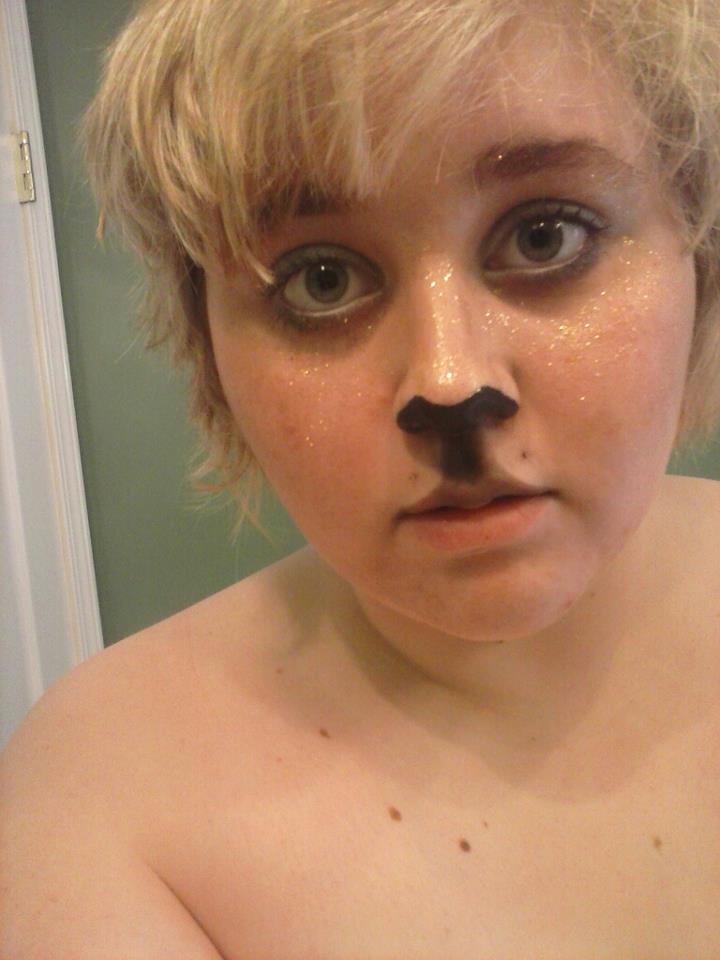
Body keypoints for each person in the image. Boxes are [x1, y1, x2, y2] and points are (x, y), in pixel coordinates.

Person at [2, 0, 720, 956]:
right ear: (208, 353)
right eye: (322, 279)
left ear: (698, 258)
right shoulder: (102, 794)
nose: (450, 380)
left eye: (546, 234)